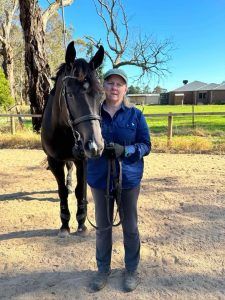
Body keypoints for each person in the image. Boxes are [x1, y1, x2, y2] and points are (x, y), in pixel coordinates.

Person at [87, 68, 151, 292]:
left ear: (125, 89)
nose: (114, 88)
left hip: (128, 180)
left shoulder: (136, 115)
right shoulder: (92, 112)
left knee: (130, 227)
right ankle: (103, 269)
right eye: (110, 83)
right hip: (99, 177)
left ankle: (131, 269)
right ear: (103, 87)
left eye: (119, 84)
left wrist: (126, 149)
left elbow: (146, 146)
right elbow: (81, 141)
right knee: (103, 228)